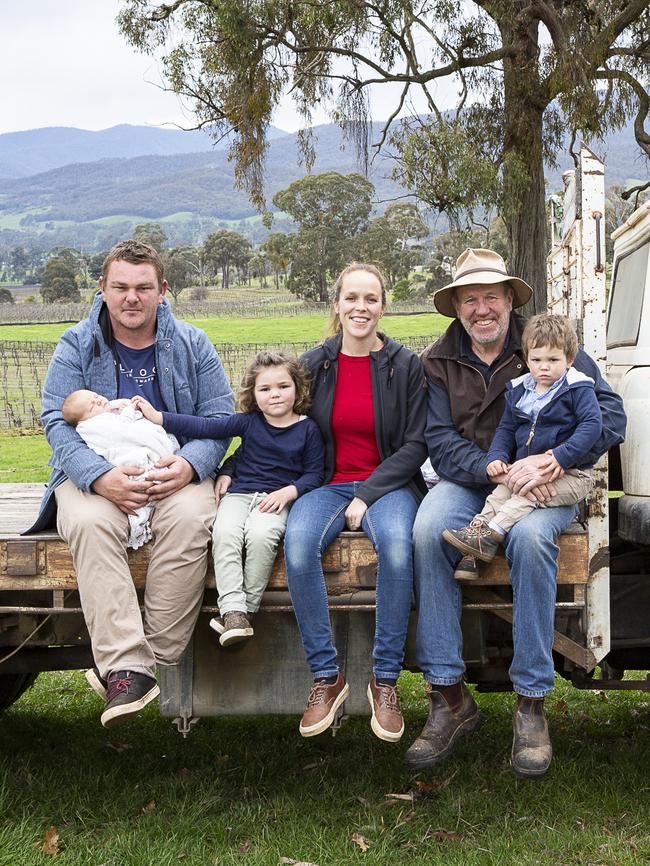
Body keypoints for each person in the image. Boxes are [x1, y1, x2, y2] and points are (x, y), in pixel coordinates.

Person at [406, 248, 626, 778]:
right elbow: (437, 438)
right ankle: (449, 698)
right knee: (430, 530)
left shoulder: (547, 344)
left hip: (546, 480)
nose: (481, 309)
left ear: (509, 299)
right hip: (477, 478)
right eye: (469, 299)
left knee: (529, 541)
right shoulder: (437, 361)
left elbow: (610, 415)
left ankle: (530, 701)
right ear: (456, 306)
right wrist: (494, 470)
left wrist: (555, 459)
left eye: (490, 296)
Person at [28, 240, 234, 727]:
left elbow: (220, 417)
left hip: (174, 466)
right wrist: (99, 477)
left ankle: (142, 662)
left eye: (143, 288)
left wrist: (187, 466)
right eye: (120, 287)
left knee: (191, 517)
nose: (131, 298)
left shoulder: (193, 344)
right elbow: (55, 422)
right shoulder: (76, 344)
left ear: (164, 291)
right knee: (89, 522)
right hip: (94, 470)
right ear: (102, 290)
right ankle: (125, 663)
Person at [283, 262, 428, 743]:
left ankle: (384, 681)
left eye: (371, 299)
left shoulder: (405, 366)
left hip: (388, 486)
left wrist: (367, 494)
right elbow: (274, 424)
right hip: (326, 484)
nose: (360, 308)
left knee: (398, 548)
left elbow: (414, 445)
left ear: (383, 306)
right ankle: (327, 677)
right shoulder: (313, 365)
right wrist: (229, 471)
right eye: (352, 298)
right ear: (337, 304)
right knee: (299, 547)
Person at [133, 350, 325, 648]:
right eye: (265, 389)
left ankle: (244, 611)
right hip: (239, 493)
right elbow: (205, 426)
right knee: (225, 533)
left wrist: (290, 492)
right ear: (253, 393)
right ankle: (233, 609)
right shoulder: (249, 422)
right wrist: (159, 418)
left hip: (277, 498)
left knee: (262, 535)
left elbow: (315, 473)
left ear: (297, 388)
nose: (274, 395)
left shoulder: (308, 429)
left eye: (283, 387)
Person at [442, 314, 602, 573]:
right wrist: (495, 457)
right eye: (536, 360)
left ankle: (491, 535)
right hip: (526, 472)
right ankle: (472, 546)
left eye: (553, 360)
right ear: (526, 359)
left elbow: (592, 425)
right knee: (499, 495)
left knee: (523, 495)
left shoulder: (576, 388)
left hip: (570, 475)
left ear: (570, 360)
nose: (544, 368)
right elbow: (506, 428)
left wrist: (560, 457)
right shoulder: (520, 390)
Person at [61, 389, 180, 550]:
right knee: (91, 523)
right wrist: (97, 475)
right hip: (110, 469)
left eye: (96, 397)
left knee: (187, 518)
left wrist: (190, 461)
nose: (97, 401)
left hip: (178, 467)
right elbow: (122, 430)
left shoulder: (112, 411)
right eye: (91, 407)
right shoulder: (95, 425)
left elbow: (217, 415)